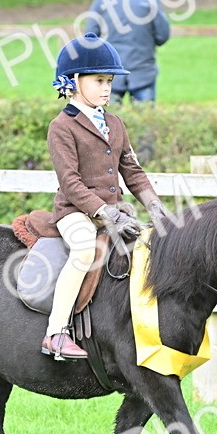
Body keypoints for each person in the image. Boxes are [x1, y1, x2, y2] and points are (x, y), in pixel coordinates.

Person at [42, 32, 170, 360]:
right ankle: (56, 332)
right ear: (73, 81)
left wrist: (154, 205)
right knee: (84, 250)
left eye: (109, 81)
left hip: (115, 211)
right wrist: (104, 212)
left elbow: (132, 171)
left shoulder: (115, 122)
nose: (106, 88)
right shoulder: (62, 127)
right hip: (75, 212)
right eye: (98, 81)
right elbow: (70, 183)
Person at [84, 0, 171, 105]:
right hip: (143, 72)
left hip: (109, 73)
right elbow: (162, 36)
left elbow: (90, 37)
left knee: (108, 118)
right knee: (144, 118)